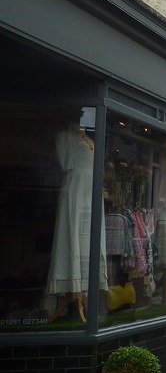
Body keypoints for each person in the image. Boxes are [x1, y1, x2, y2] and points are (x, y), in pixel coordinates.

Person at [48, 122, 107, 322]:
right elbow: (65, 162)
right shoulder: (65, 136)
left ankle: (83, 288)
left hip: (92, 189)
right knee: (72, 232)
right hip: (76, 188)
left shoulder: (90, 138)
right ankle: (72, 288)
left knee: (89, 237)